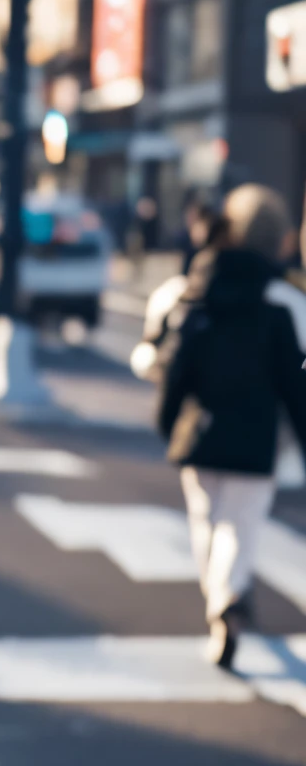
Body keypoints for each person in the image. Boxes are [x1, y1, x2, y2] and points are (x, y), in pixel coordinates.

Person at [157, 185, 306, 669]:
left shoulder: (200, 286)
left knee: (206, 522)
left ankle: (220, 600)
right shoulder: (284, 302)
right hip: (257, 438)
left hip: (198, 432)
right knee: (239, 527)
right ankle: (228, 600)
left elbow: (178, 364)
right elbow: (295, 385)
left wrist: (167, 418)